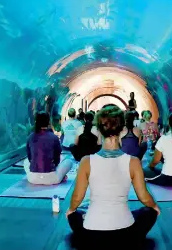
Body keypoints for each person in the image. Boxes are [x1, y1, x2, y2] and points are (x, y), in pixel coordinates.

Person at [66, 105, 160, 250]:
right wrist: (154, 207)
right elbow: (144, 197)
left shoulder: (86, 161)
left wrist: (71, 210)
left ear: (99, 129)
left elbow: (77, 197)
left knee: (74, 215)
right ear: (122, 129)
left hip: (92, 234)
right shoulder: (133, 162)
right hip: (126, 234)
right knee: (149, 212)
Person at [24, 112, 73, 185]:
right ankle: (61, 176)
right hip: (52, 178)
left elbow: (29, 158)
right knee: (69, 162)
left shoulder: (30, 137)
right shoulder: (54, 137)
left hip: (32, 178)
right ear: (48, 122)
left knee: (25, 161)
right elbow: (57, 159)